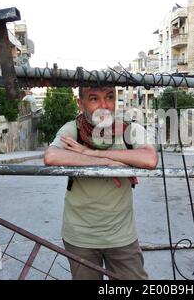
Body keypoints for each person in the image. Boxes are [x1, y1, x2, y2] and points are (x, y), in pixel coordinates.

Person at [44, 85, 158, 280]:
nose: (104, 105)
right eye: (94, 98)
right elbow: (52, 157)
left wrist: (92, 153)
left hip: (122, 237)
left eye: (110, 97)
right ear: (81, 104)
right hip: (80, 238)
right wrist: (108, 161)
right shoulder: (74, 129)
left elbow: (150, 159)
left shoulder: (130, 129)